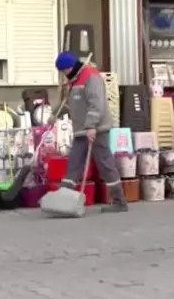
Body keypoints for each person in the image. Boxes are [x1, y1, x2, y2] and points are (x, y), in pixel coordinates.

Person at [51, 51, 128, 213]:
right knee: (73, 164)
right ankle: (64, 201)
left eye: (65, 70)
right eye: (62, 71)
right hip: (80, 130)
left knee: (105, 164)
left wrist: (91, 126)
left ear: (72, 66)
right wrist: (54, 114)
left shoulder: (91, 77)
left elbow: (96, 104)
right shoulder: (73, 81)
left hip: (97, 130)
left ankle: (119, 201)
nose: (64, 74)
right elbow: (69, 103)